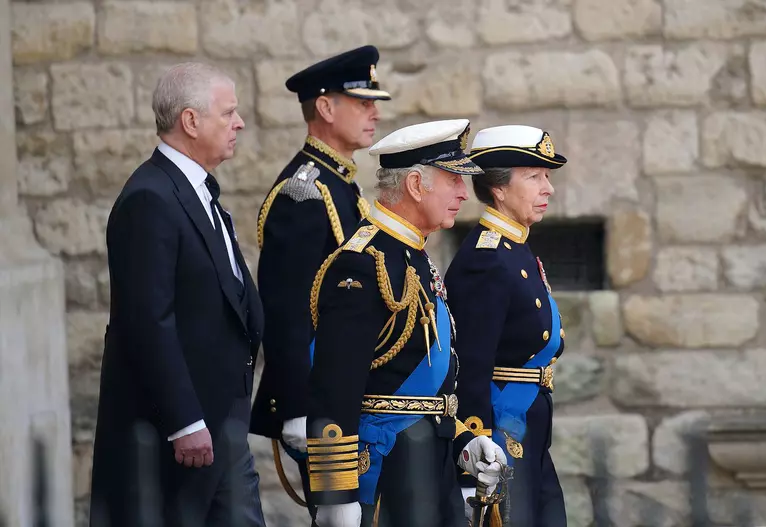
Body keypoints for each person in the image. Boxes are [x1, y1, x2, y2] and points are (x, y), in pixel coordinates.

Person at [305, 119, 508, 527]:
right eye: (453, 180)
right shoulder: (362, 263)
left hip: (429, 469)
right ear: (416, 185)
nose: (463, 193)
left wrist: (464, 444)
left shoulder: (413, 255)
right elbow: (334, 388)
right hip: (385, 474)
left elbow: (424, 391)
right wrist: (336, 493)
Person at [89, 63, 266, 527]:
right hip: (179, 438)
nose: (239, 123)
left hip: (220, 421)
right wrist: (185, 421)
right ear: (191, 121)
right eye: (228, 113)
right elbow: (147, 320)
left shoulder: (195, 191)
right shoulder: (150, 198)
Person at [248, 45, 391, 520]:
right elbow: (287, 306)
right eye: (362, 103)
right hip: (319, 405)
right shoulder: (305, 192)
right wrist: (294, 408)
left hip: (346, 394)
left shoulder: (341, 185)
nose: (373, 113)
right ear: (325, 108)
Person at [444, 125, 569, 526]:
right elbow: (471, 367)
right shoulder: (487, 257)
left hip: (529, 428)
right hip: (501, 433)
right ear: (498, 188)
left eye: (547, 176)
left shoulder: (515, 246)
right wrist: (474, 449)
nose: (547, 188)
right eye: (534, 177)